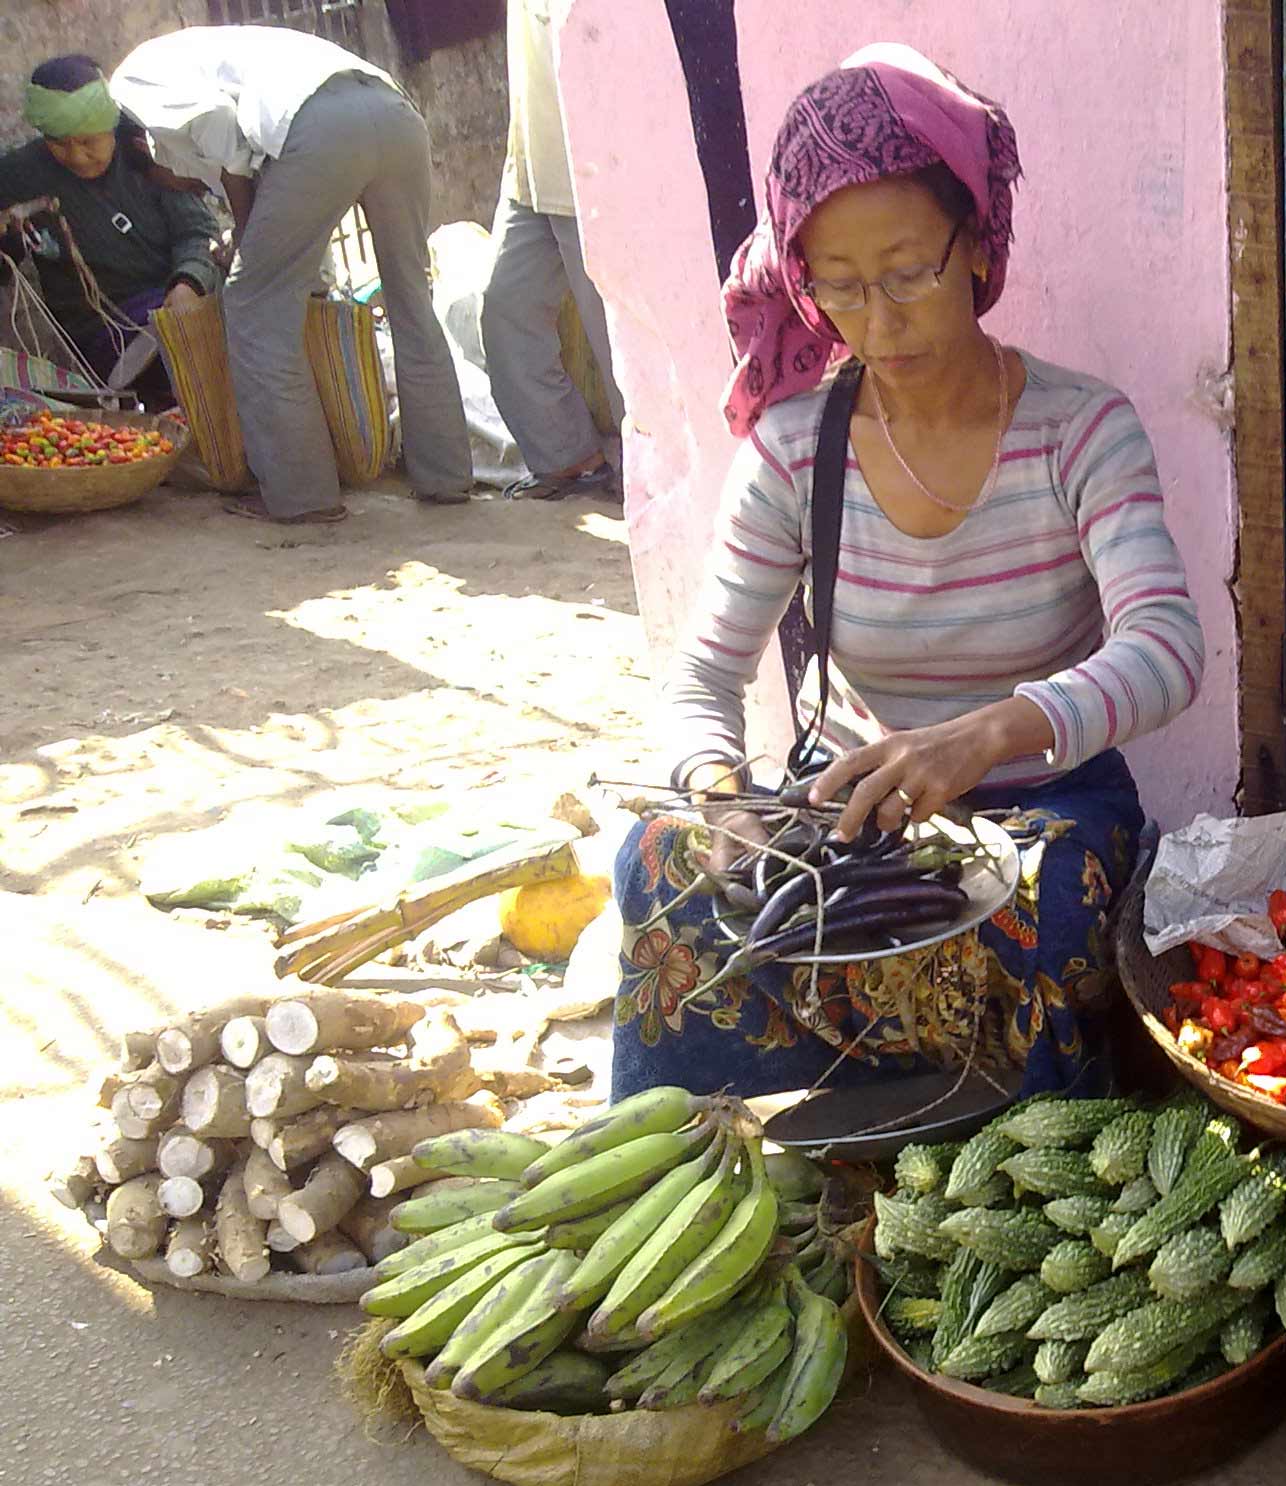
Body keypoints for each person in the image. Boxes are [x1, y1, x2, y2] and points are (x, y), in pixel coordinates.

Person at [610, 45, 1205, 1103]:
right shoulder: (798, 449)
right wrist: (719, 798)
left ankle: (1024, 1179)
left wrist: (985, 733)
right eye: (839, 288)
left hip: (1043, 801)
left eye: (908, 274)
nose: (880, 324)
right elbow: (703, 677)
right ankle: (712, 1166)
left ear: (977, 245)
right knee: (659, 871)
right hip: (857, 813)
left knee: (1046, 902)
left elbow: (1165, 649)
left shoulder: (1080, 430)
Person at [109, 24, 471, 522]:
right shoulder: (217, 49)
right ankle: (446, 476)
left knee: (253, 307)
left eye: (170, 183)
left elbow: (219, 129)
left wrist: (244, 238)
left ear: (149, 149)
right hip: (395, 112)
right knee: (411, 300)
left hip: (318, 126)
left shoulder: (131, 81)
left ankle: (301, 496)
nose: (185, 188)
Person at [0, 56, 220, 404]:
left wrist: (188, 282)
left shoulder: (146, 155)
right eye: (59, 143)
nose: (76, 156)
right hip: (104, 336)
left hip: (177, 300)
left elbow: (195, 231)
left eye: (89, 141)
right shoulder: (19, 175)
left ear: (110, 126)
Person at [480, 0, 621, 500]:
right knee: (504, 310)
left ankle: (659, 472)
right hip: (530, 168)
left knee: (617, 336)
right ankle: (569, 458)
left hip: (594, 172)